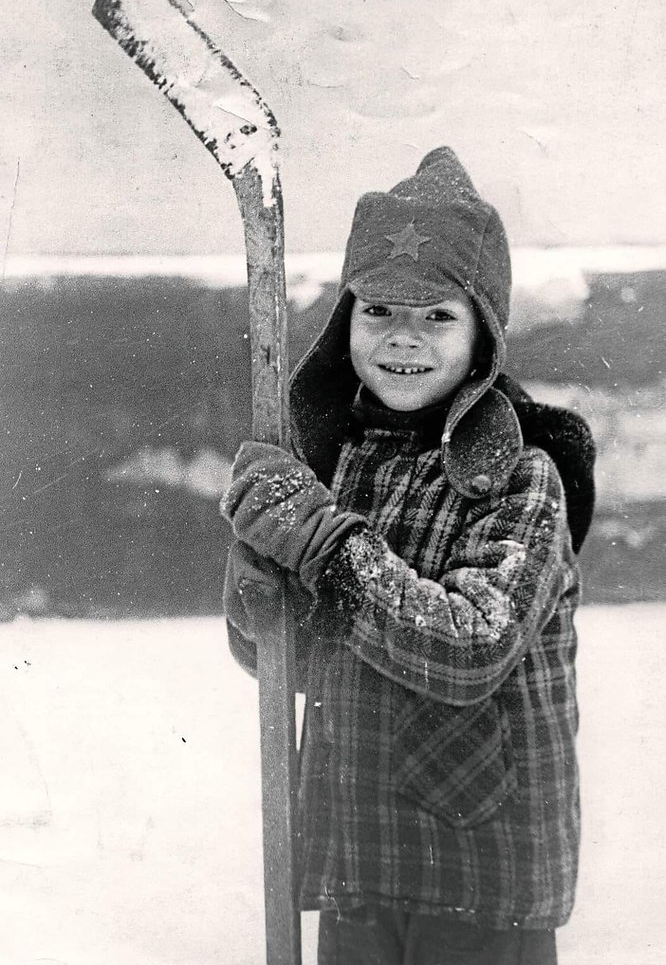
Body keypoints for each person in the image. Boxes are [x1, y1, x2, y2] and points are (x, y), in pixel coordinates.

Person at [220, 147, 596, 965]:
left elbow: (468, 648)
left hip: (479, 877)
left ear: (484, 335)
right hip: (357, 854)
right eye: (379, 310)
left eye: (437, 316)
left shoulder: (521, 479)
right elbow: (291, 659)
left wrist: (322, 541)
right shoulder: (342, 463)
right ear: (344, 321)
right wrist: (258, 586)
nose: (403, 338)